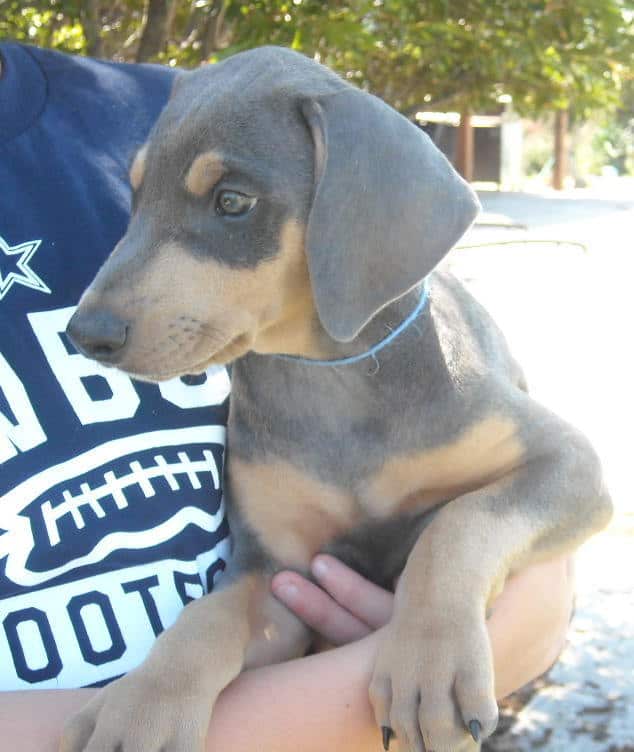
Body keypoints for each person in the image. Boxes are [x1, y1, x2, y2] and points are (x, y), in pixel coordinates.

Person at [0, 41, 575, 751]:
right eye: (139, 197)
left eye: (232, 203)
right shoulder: (263, 386)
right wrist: (177, 672)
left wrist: (448, 586)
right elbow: (265, 588)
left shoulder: (156, 99)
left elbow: (564, 483)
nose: (100, 312)